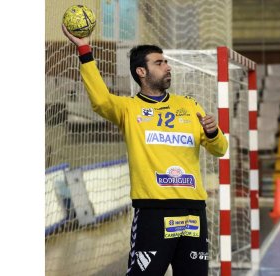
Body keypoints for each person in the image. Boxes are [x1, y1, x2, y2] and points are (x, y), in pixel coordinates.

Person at [62, 26, 228, 276]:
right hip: (153, 211)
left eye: (166, 62)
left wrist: (214, 132)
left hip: (193, 211)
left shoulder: (190, 105)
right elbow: (100, 100)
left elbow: (220, 149)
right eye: (159, 63)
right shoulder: (128, 109)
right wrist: (84, 49)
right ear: (141, 71)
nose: (168, 67)